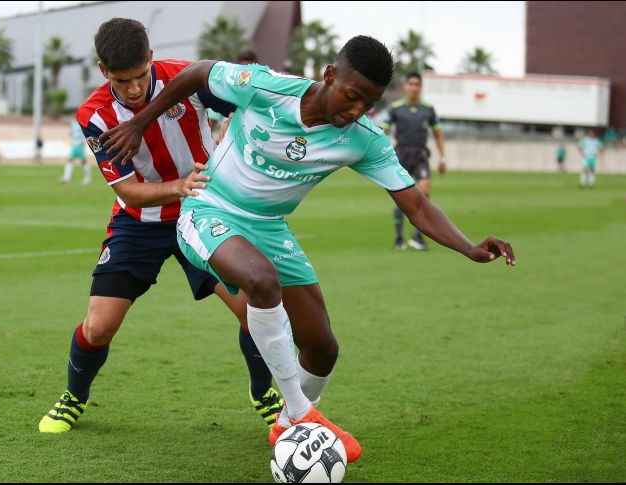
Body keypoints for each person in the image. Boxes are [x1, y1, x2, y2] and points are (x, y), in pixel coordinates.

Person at [100, 35, 517, 463]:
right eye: (352, 97)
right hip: (208, 208)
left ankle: (285, 427)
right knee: (262, 281)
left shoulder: (364, 139)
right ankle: (301, 415)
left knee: (322, 347)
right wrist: (141, 121)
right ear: (330, 76)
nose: (356, 111)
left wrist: (468, 247)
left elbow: (417, 205)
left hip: (269, 227)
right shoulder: (266, 87)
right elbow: (201, 71)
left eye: (369, 104)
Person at [38, 18, 281, 434]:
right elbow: (130, 193)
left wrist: (232, 147)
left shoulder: (186, 80)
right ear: (102, 70)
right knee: (98, 327)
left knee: (253, 310)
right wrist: (180, 186)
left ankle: (264, 393)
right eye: (121, 79)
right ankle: (74, 395)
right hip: (139, 224)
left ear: (151, 58)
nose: (133, 88)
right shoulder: (94, 115)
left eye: (140, 75)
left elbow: (248, 106)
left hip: (205, 216)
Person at [380, 72, 447, 251]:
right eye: (411, 84)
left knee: (424, 191)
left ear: (421, 87)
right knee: (401, 196)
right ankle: (399, 238)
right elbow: (382, 131)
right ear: (405, 87)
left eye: (417, 84)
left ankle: (418, 237)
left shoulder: (428, 109)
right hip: (401, 154)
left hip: (421, 156)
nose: (414, 87)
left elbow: (438, 134)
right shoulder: (395, 108)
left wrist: (443, 158)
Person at [60, 119, 93, 185]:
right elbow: (71, 133)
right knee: (81, 161)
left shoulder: (81, 122)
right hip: (75, 143)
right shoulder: (73, 122)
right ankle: (87, 178)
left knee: (73, 160)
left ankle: (67, 178)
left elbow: (85, 132)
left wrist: (83, 141)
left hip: (79, 144)